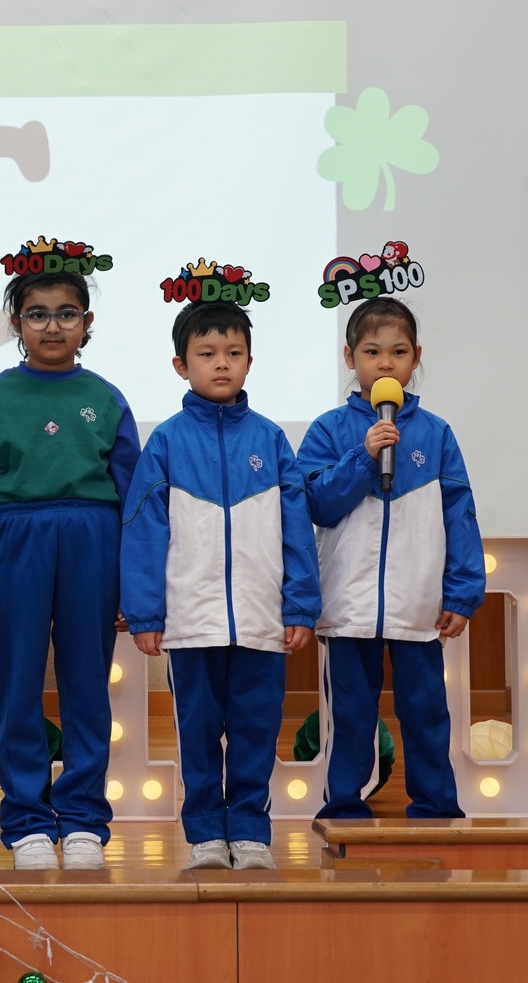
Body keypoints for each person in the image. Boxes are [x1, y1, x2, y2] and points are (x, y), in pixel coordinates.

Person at [119, 299, 320, 870]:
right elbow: (143, 531)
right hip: (191, 621)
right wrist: (146, 613)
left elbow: (297, 528)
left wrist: (300, 604)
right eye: (207, 354)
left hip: (261, 619)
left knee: (257, 729)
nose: (222, 363)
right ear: (181, 365)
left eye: (234, 353)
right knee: (198, 731)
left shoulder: (271, 439)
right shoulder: (166, 442)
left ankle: (251, 832)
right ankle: (206, 833)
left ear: (250, 361)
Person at [0, 259, 140, 870]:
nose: (52, 326)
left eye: (66, 314)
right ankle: (27, 821)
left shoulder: (106, 398)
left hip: (93, 541)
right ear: (17, 323)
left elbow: (136, 499)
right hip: (14, 541)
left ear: (87, 322)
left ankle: (84, 818)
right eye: (37, 315)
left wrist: (133, 584)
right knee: (17, 687)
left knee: (88, 686)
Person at [300, 296, 485, 820]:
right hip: (349, 606)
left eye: (399, 352)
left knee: (426, 712)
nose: (386, 363)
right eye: (372, 351)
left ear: (416, 357)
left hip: (417, 605)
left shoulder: (436, 433)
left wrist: (462, 592)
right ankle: (344, 808)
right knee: (351, 715)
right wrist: (364, 455)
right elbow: (316, 504)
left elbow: (460, 515)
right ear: (349, 357)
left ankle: (436, 808)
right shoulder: (329, 430)